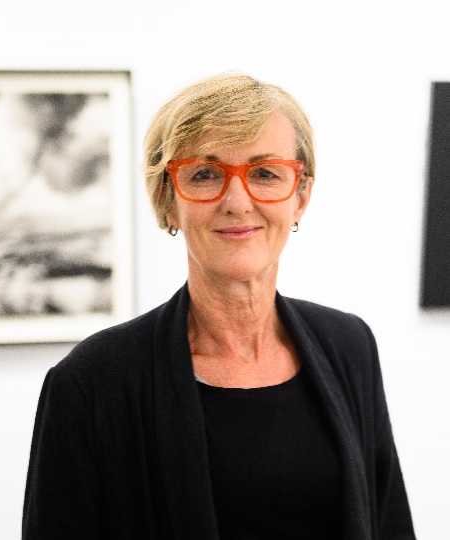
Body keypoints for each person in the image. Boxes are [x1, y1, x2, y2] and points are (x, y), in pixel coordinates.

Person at [22, 72, 416, 539]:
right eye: (205, 174)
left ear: (301, 197)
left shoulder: (349, 346)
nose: (237, 201)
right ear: (168, 202)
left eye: (266, 173)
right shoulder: (92, 383)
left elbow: (389, 522)